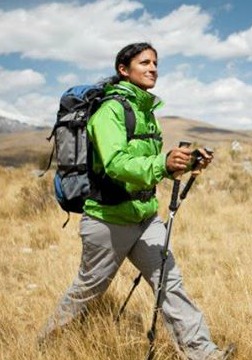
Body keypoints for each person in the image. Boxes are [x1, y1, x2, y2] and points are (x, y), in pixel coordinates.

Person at [39, 42, 233, 360]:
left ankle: (203, 352)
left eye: (155, 63)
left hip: (144, 218)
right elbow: (116, 163)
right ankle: (47, 344)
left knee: (170, 282)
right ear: (123, 69)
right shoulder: (110, 111)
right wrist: (162, 164)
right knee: (88, 290)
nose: (153, 68)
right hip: (107, 220)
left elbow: (148, 166)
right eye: (144, 63)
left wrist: (181, 165)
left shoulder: (147, 112)